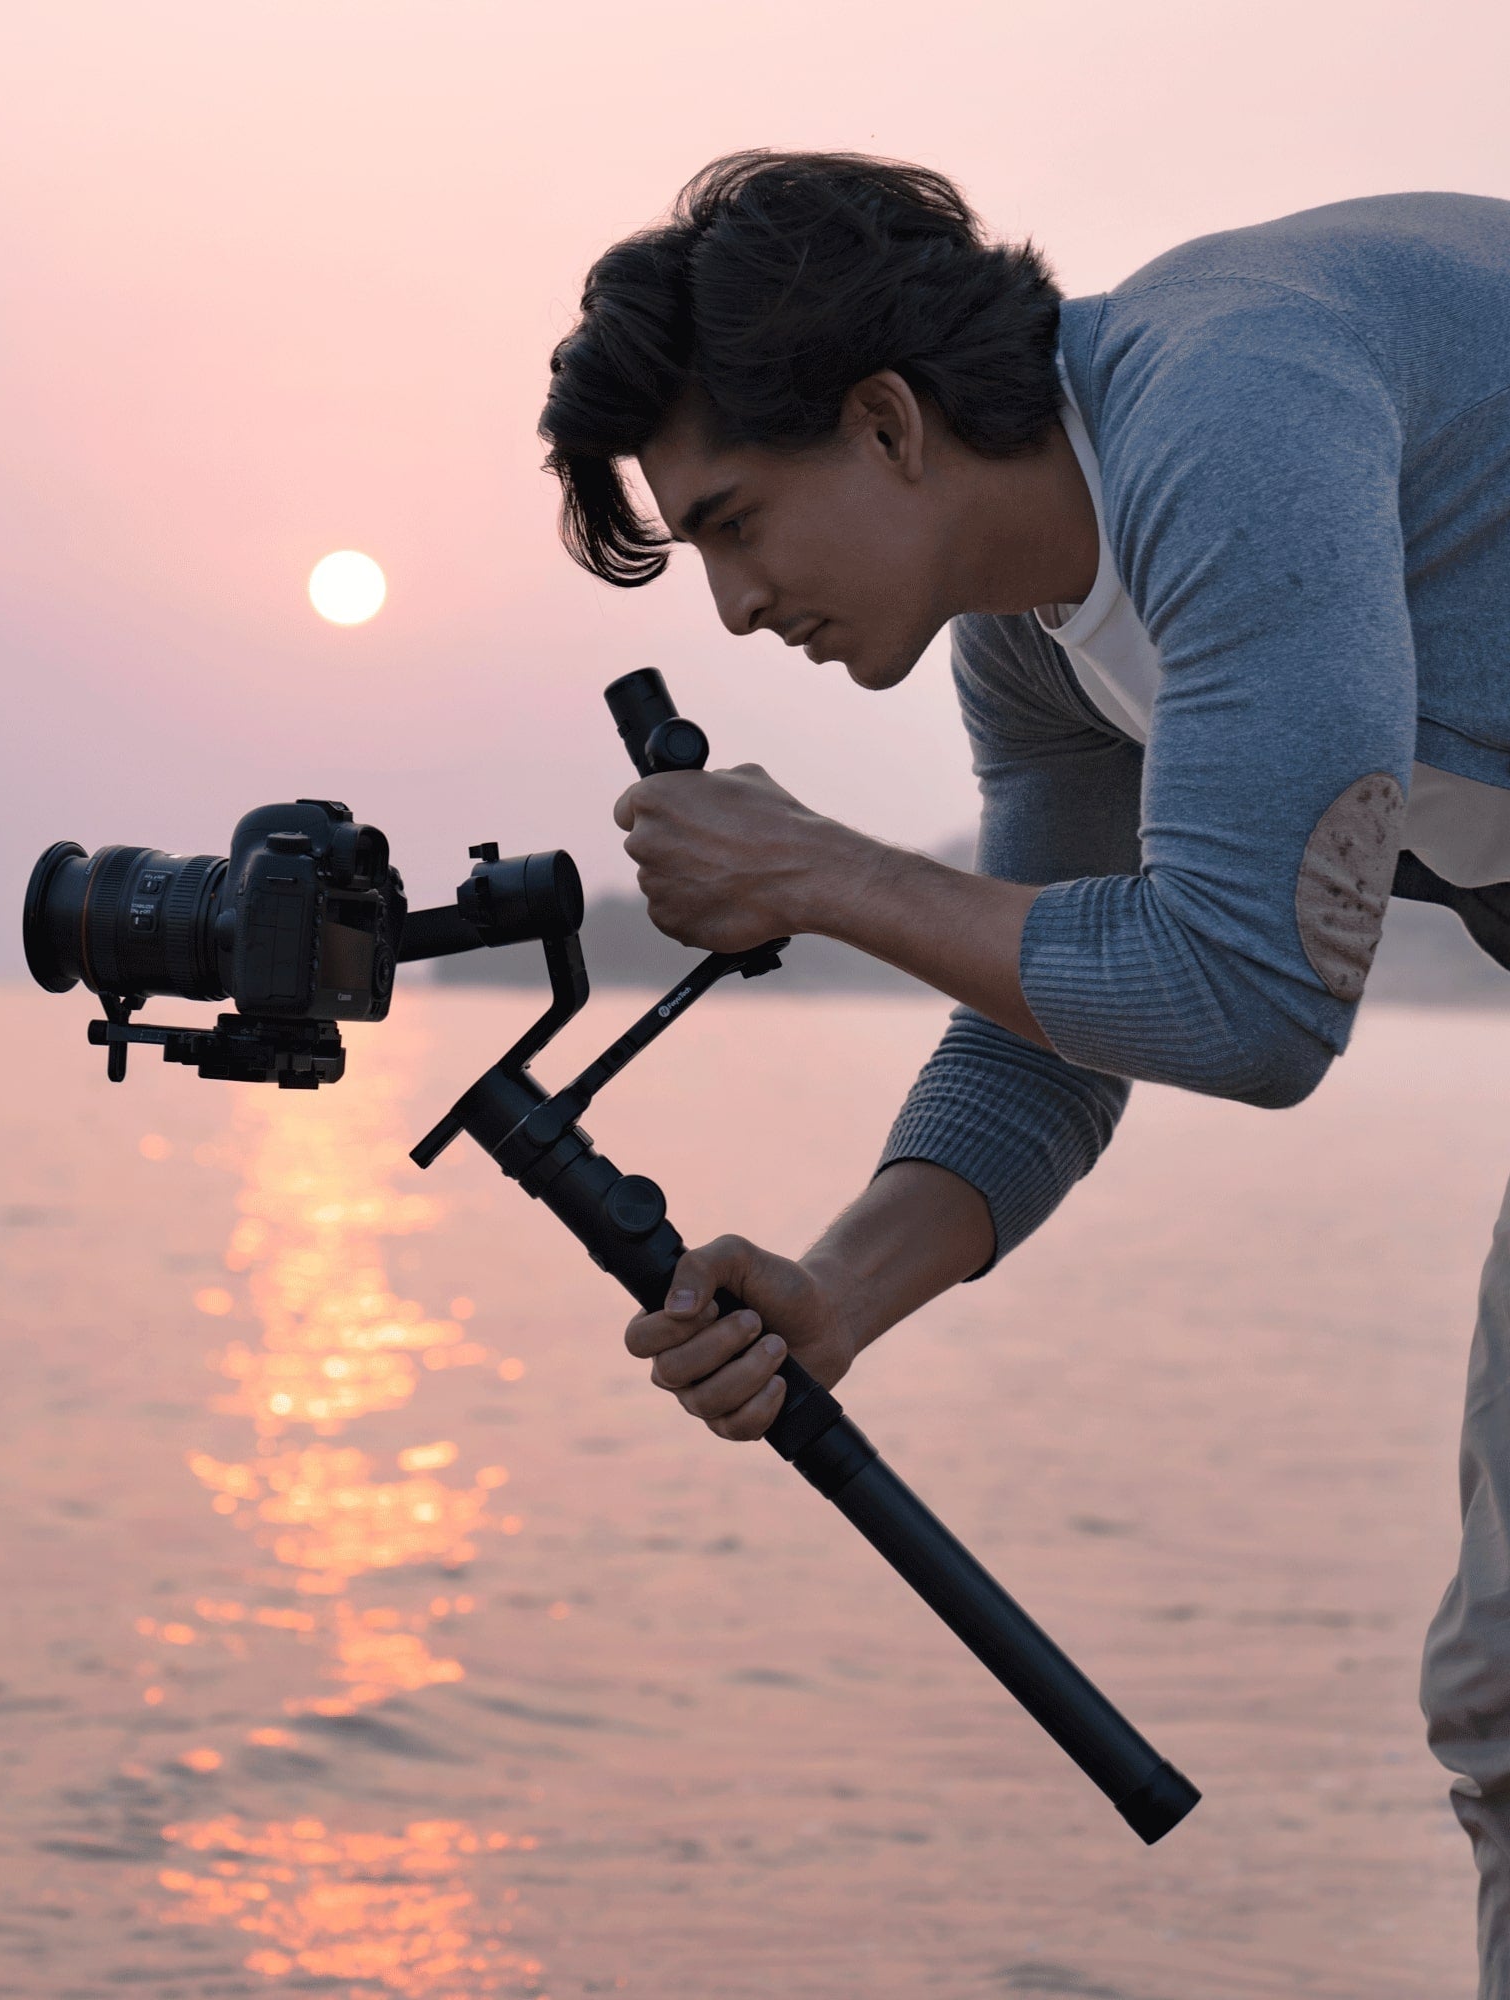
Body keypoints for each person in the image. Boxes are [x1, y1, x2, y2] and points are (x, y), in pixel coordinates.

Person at [538, 150, 1510, 1989]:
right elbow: (1058, 1026)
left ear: (890, 421)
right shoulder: (1037, 635)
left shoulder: (1231, 414)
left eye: (738, 520)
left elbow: (1250, 998)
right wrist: (840, 1293)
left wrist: (826, 872)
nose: (734, 606)